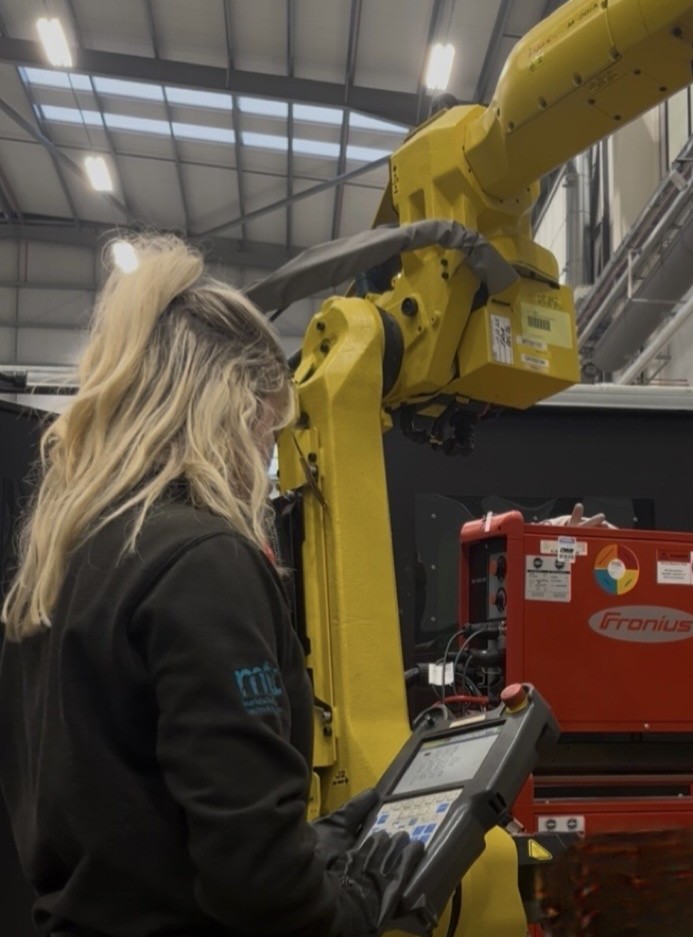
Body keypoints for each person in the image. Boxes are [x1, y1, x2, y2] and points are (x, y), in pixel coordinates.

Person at [0, 236, 422, 937]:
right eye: (266, 432)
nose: (264, 460)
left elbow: (130, 822)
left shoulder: (62, 567)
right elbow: (257, 888)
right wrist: (358, 906)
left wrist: (302, 847)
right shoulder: (203, 562)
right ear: (232, 403)